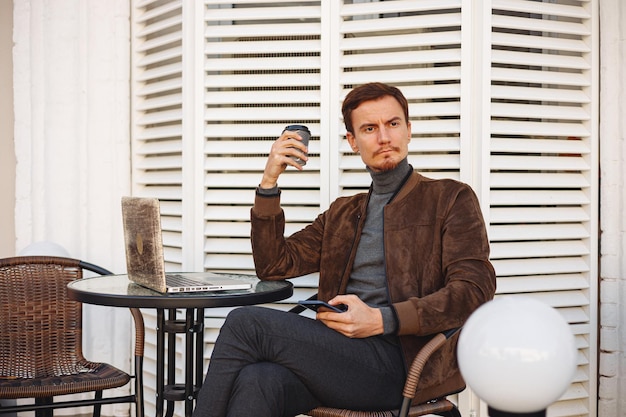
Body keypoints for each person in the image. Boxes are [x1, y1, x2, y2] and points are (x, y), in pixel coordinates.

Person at [193, 82, 496, 417]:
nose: (384, 137)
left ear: (409, 131)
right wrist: (269, 182)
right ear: (353, 141)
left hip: (402, 365)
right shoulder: (343, 213)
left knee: (246, 324)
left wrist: (382, 319)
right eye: (369, 128)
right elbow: (275, 265)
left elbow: (473, 291)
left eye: (393, 124)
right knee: (257, 380)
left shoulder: (450, 198)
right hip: (339, 358)